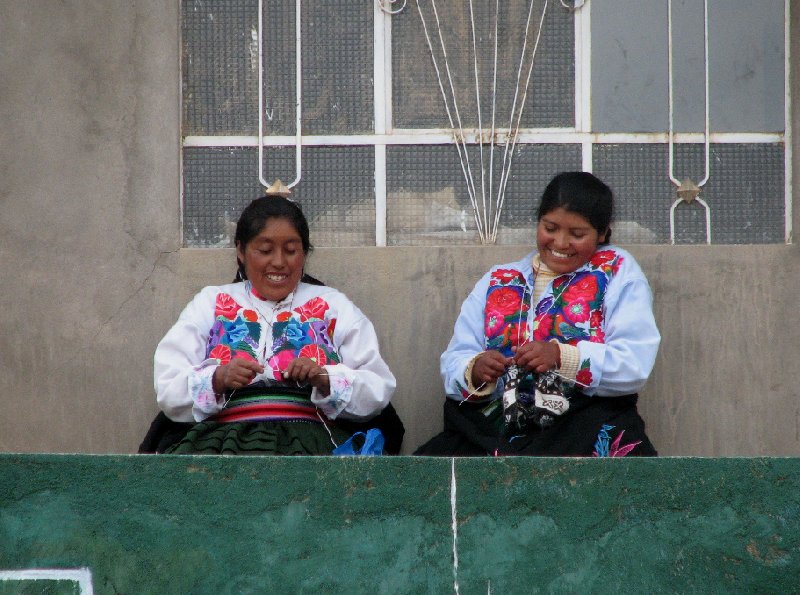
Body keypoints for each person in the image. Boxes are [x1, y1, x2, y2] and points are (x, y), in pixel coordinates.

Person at [415, 171, 660, 457]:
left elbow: (634, 364)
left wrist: (561, 357)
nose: (560, 243)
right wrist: (476, 369)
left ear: (603, 233)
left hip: (582, 423)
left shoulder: (617, 272)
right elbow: (454, 361)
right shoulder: (499, 280)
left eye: (577, 234)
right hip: (500, 429)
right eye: (550, 228)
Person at [152, 190, 398, 455]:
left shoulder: (332, 306)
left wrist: (324, 377)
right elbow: (168, 387)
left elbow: (378, 387)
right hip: (222, 443)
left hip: (313, 443)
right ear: (241, 251)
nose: (279, 262)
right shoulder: (211, 303)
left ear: (304, 253)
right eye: (265, 250)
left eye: (291, 250)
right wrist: (219, 377)